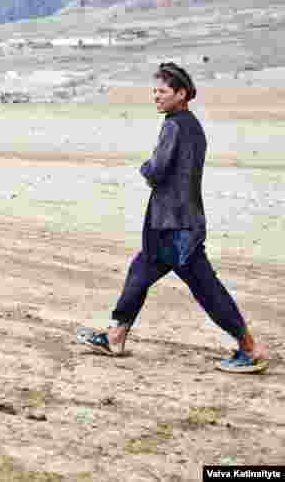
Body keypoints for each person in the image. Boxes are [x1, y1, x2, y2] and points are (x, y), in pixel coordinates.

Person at [80, 62, 270, 373]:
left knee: (207, 289)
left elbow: (157, 170)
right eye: (154, 91)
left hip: (176, 227)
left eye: (162, 91)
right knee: (139, 273)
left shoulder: (173, 126)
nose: (156, 96)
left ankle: (250, 349)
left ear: (181, 94)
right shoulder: (193, 126)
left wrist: (145, 168)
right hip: (177, 223)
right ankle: (116, 336)